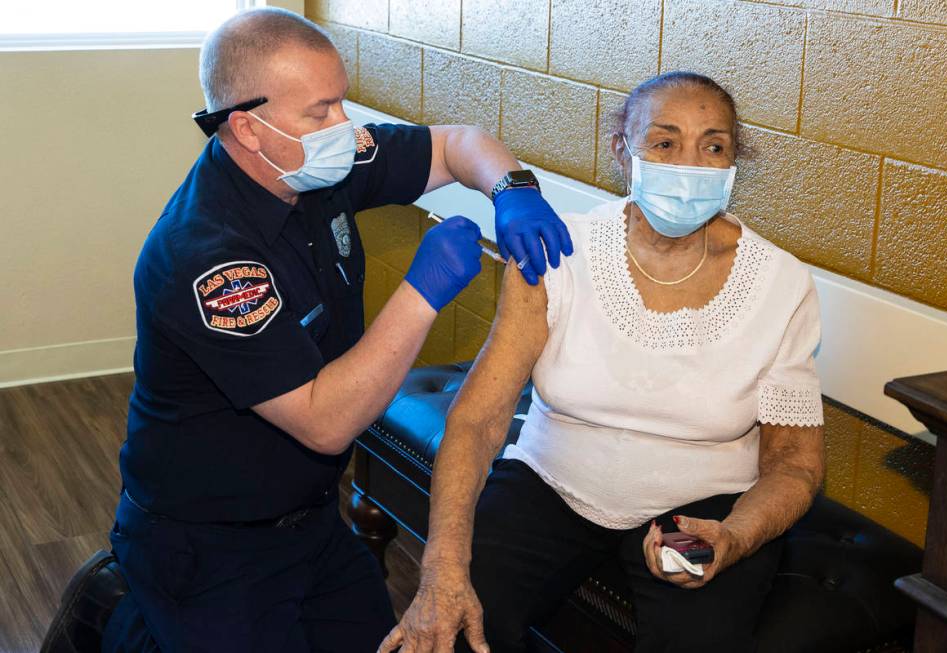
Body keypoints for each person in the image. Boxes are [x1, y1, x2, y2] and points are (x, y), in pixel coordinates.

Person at [101, 7, 571, 653]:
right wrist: (423, 290)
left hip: (313, 520)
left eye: (341, 102)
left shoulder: (314, 165)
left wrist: (513, 188)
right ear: (248, 127)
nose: (343, 127)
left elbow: (454, 143)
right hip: (209, 545)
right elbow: (324, 418)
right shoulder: (208, 258)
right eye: (320, 111)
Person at [381, 71, 826, 653]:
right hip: (551, 480)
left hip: (703, 507)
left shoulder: (781, 284)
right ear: (623, 150)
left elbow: (794, 464)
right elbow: (478, 421)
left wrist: (733, 536)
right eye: (664, 143)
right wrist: (441, 567)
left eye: (713, 146)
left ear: (734, 161)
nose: (689, 165)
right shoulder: (557, 248)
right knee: (460, 626)